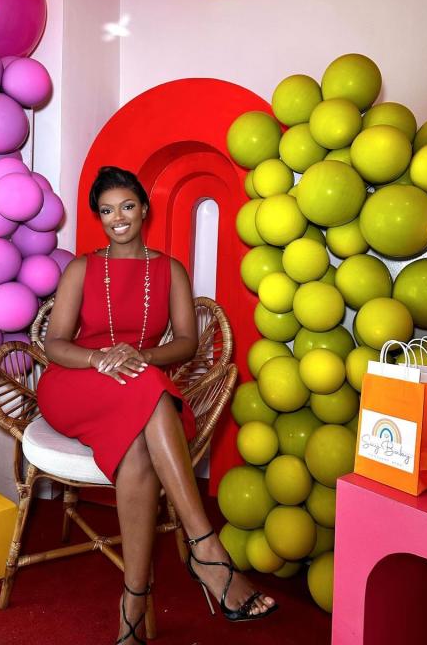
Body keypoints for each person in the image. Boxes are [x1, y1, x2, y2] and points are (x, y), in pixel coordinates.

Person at [37, 166, 277, 644]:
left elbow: (187, 343)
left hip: (139, 383)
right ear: (99, 219)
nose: (117, 218)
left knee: (141, 441)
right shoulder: (83, 267)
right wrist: (99, 358)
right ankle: (207, 549)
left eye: (127, 206)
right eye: (107, 211)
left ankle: (132, 600)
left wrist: (141, 355)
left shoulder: (170, 270)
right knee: (147, 385)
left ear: (144, 208)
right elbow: (55, 343)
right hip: (76, 381)